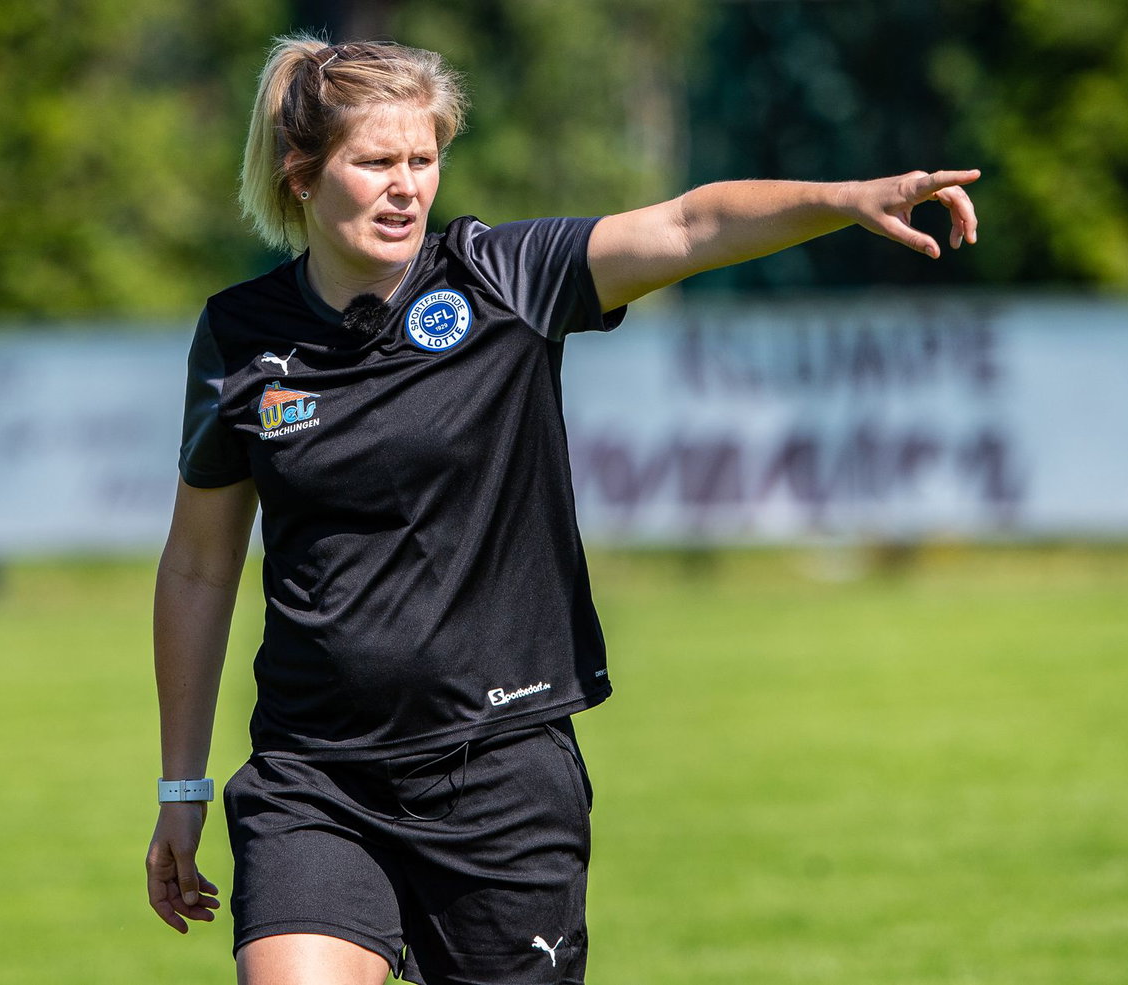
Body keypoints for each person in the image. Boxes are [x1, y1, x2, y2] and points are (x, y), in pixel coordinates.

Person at [145, 33, 979, 985]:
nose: (407, 187)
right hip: (315, 778)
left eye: (424, 159)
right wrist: (182, 786)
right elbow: (199, 566)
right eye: (375, 163)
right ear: (301, 174)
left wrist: (846, 199)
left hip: (502, 776)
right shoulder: (240, 338)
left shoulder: (504, 278)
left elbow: (689, 226)